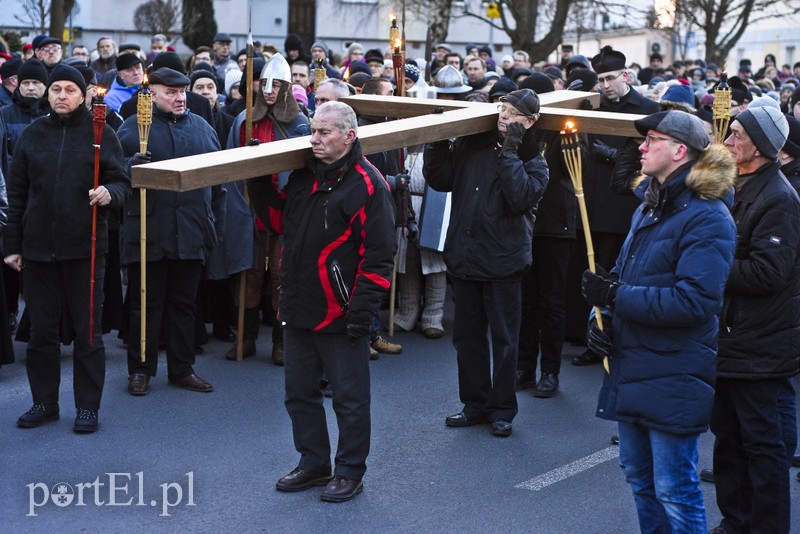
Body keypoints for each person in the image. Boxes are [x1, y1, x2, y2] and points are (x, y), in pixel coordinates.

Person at [581, 110, 737, 532]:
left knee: (675, 486)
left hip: (674, 368)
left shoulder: (708, 216)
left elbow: (695, 302)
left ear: (679, 150)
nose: (641, 148)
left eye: (651, 139)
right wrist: (601, 317)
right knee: (639, 478)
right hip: (635, 362)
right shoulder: (650, 205)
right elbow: (629, 276)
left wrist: (617, 296)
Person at [272, 101, 395, 502]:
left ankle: (349, 471)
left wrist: (362, 309)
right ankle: (313, 463)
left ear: (349, 135)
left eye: (325, 132)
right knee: (299, 392)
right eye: (313, 130)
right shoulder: (304, 175)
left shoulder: (368, 183)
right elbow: (281, 223)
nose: (315, 139)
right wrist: (258, 188)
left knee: (349, 398)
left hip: (341, 310)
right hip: (297, 303)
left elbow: (378, 256)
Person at [7, 64, 131, 432]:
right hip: (38, 250)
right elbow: (17, 195)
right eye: (56, 89)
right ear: (48, 93)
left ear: (84, 94)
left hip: (85, 249)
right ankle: (44, 402)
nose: (62, 95)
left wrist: (110, 193)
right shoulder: (32, 134)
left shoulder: (101, 134)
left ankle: (87, 407)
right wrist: (13, 245)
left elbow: (122, 182)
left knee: (87, 334)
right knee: (42, 334)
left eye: (70, 90)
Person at [423, 89, 549, 437]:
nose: (505, 116)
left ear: (531, 122)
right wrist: (436, 142)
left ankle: (503, 408)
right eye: (503, 109)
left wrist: (510, 150)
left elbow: (519, 196)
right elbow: (440, 179)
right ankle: (474, 404)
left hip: (504, 262)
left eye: (515, 113)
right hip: (465, 256)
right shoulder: (472, 144)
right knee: (467, 338)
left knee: (505, 340)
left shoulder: (535, 161)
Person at [709, 106, 800, 534]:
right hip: (730, 339)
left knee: (764, 448)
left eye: (737, 135)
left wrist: (706, 266)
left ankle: (765, 527)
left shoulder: (779, 198)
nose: (727, 141)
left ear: (761, 147)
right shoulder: (737, 184)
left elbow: (768, 273)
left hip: (760, 346)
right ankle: (735, 521)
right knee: (728, 440)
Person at [117, 67, 226, 396]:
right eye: (171, 92)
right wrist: (129, 166)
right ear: (152, 94)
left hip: (191, 230)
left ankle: (182, 368)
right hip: (148, 228)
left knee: (184, 305)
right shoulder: (132, 127)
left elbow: (218, 182)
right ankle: (140, 369)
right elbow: (111, 175)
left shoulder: (202, 128)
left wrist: (210, 223)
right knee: (145, 304)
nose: (179, 98)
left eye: (182, 92)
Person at [567, 45, 659, 366]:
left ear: (625, 75)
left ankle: (608, 337)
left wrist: (609, 153)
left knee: (613, 275)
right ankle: (584, 333)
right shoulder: (592, 106)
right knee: (586, 270)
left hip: (623, 205)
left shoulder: (647, 107)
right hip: (588, 201)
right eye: (599, 79)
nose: (604, 85)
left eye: (609, 78)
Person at [226, 53, 310, 365]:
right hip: (250, 208)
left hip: (284, 211)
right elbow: (229, 165)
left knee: (280, 277)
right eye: (265, 83)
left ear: (287, 87)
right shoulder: (244, 120)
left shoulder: (301, 124)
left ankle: (280, 343)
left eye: (276, 84)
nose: (270, 89)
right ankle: (245, 339)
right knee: (248, 276)